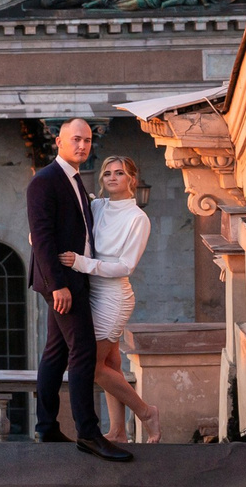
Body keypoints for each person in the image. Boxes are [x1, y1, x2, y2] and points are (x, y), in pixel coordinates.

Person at [27, 119, 134, 461]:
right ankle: (88, 433)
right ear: (58, 140)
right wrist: (58, 284)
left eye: (87, 140)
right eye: (76, 139)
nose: (83, 146)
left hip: (74, 277)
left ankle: (46, 427)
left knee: (55, 352)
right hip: (61, 280)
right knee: (84, 351)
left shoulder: (75, 180)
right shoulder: (44, 181)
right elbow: (41, 237)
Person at [63, 155, 160, 443]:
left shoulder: (138, 219)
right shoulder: (97, 206)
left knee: (91, 366)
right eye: (107, 173)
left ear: (132, 178)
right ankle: (118, 431)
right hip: (91, 293)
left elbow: (126, 265)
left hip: (113, 298)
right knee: (112, 366)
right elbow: (71, 224)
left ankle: (146, 413)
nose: (112, 177)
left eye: (119, 173)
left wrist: (82, 264)